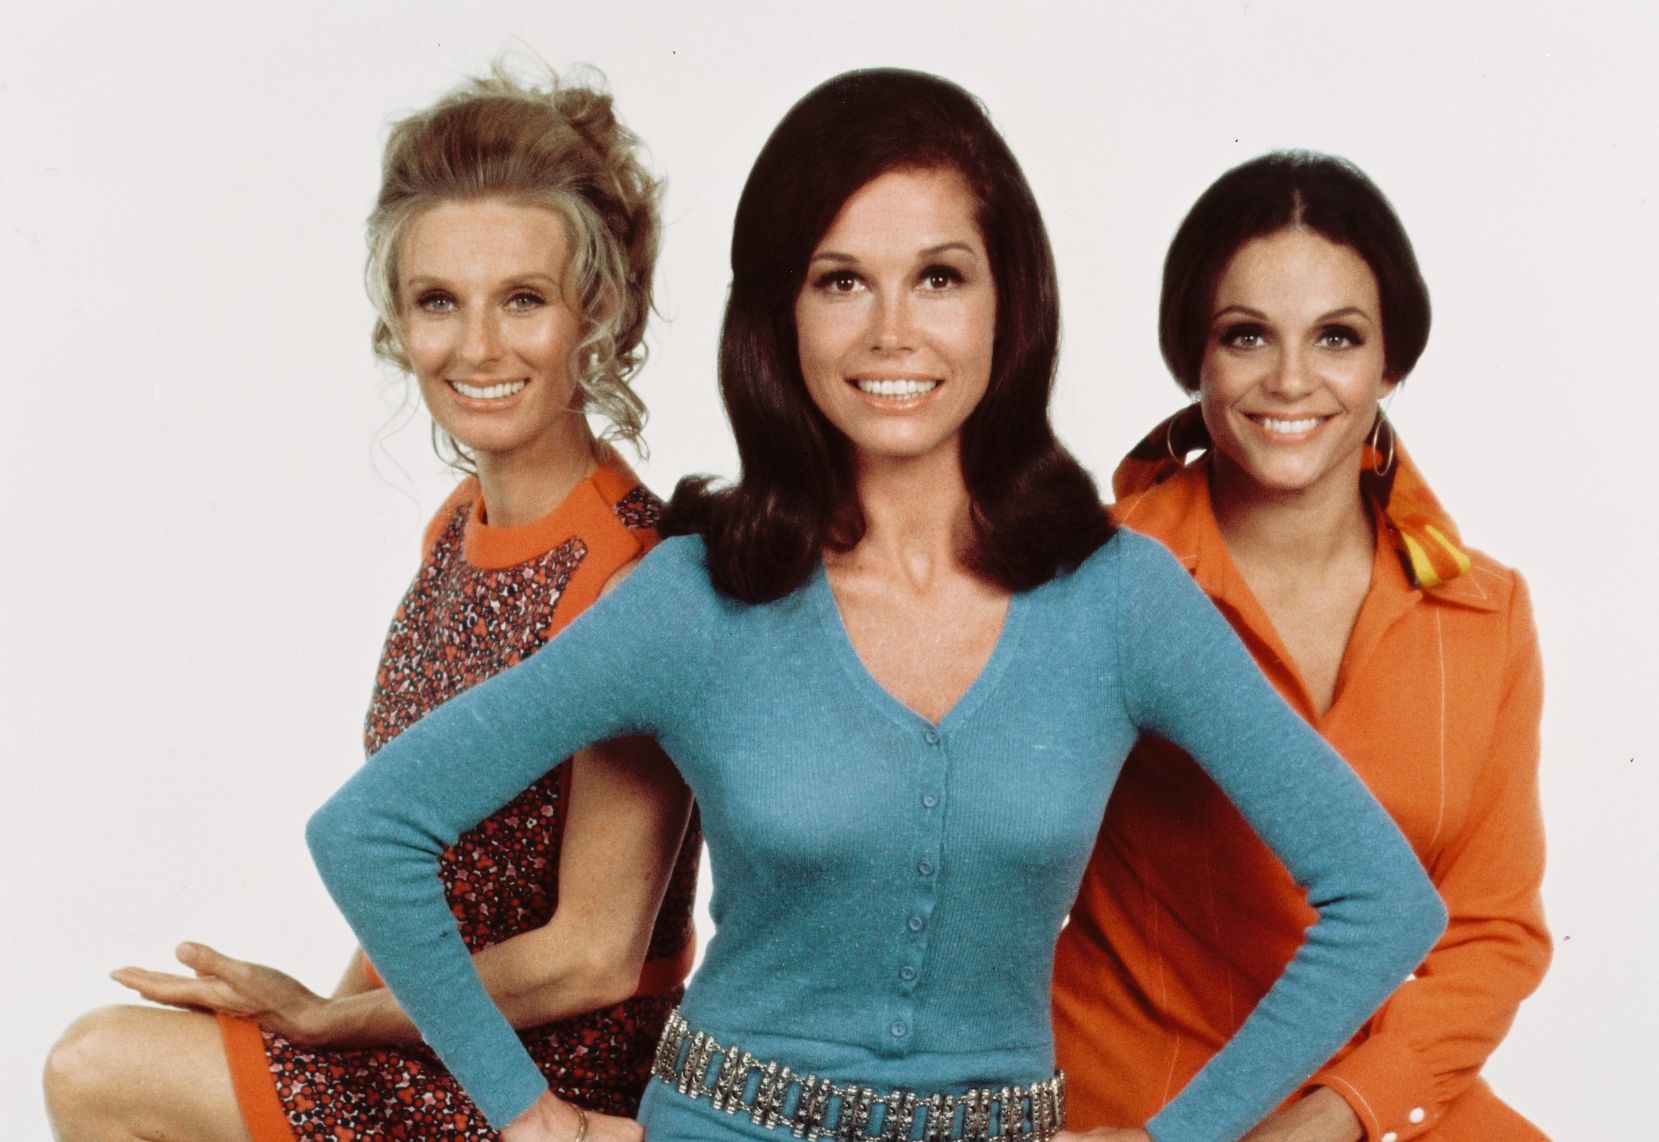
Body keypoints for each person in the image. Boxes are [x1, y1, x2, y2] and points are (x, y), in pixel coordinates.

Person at [304, 70, 1446, 1142]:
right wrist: (523, 1110)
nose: (891, 330)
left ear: (1011, 303)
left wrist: (1180, 1136)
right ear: (781, 316)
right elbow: (370, 830)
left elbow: (1384, 902)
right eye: (841, 279)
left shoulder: (1121, 599)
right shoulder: (697, 599)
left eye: (939, 277)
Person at [42, 67, 701, 1141]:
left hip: (554, 1087)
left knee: (100, 1064)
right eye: (440, 300)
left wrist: (337, 1021)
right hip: (432, 1039)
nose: (477, 346)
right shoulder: (455, 529)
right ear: (400, 320)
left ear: (598, 313)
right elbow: (412, 870)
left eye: (522, 299)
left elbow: (597, 953)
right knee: (119, 1061)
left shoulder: (631, 566)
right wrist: (316, 1015)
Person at [1051, 152, 1550, 1141]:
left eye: (1336, 336)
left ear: (1389, 360)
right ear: (1195, 355)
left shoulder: (1483, 611)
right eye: (1247, 335)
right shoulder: (1087, 575)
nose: (1290, 379)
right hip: (1131, 1097)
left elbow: (1492, 935)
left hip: (1362, 1097)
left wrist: (1338, 1116)